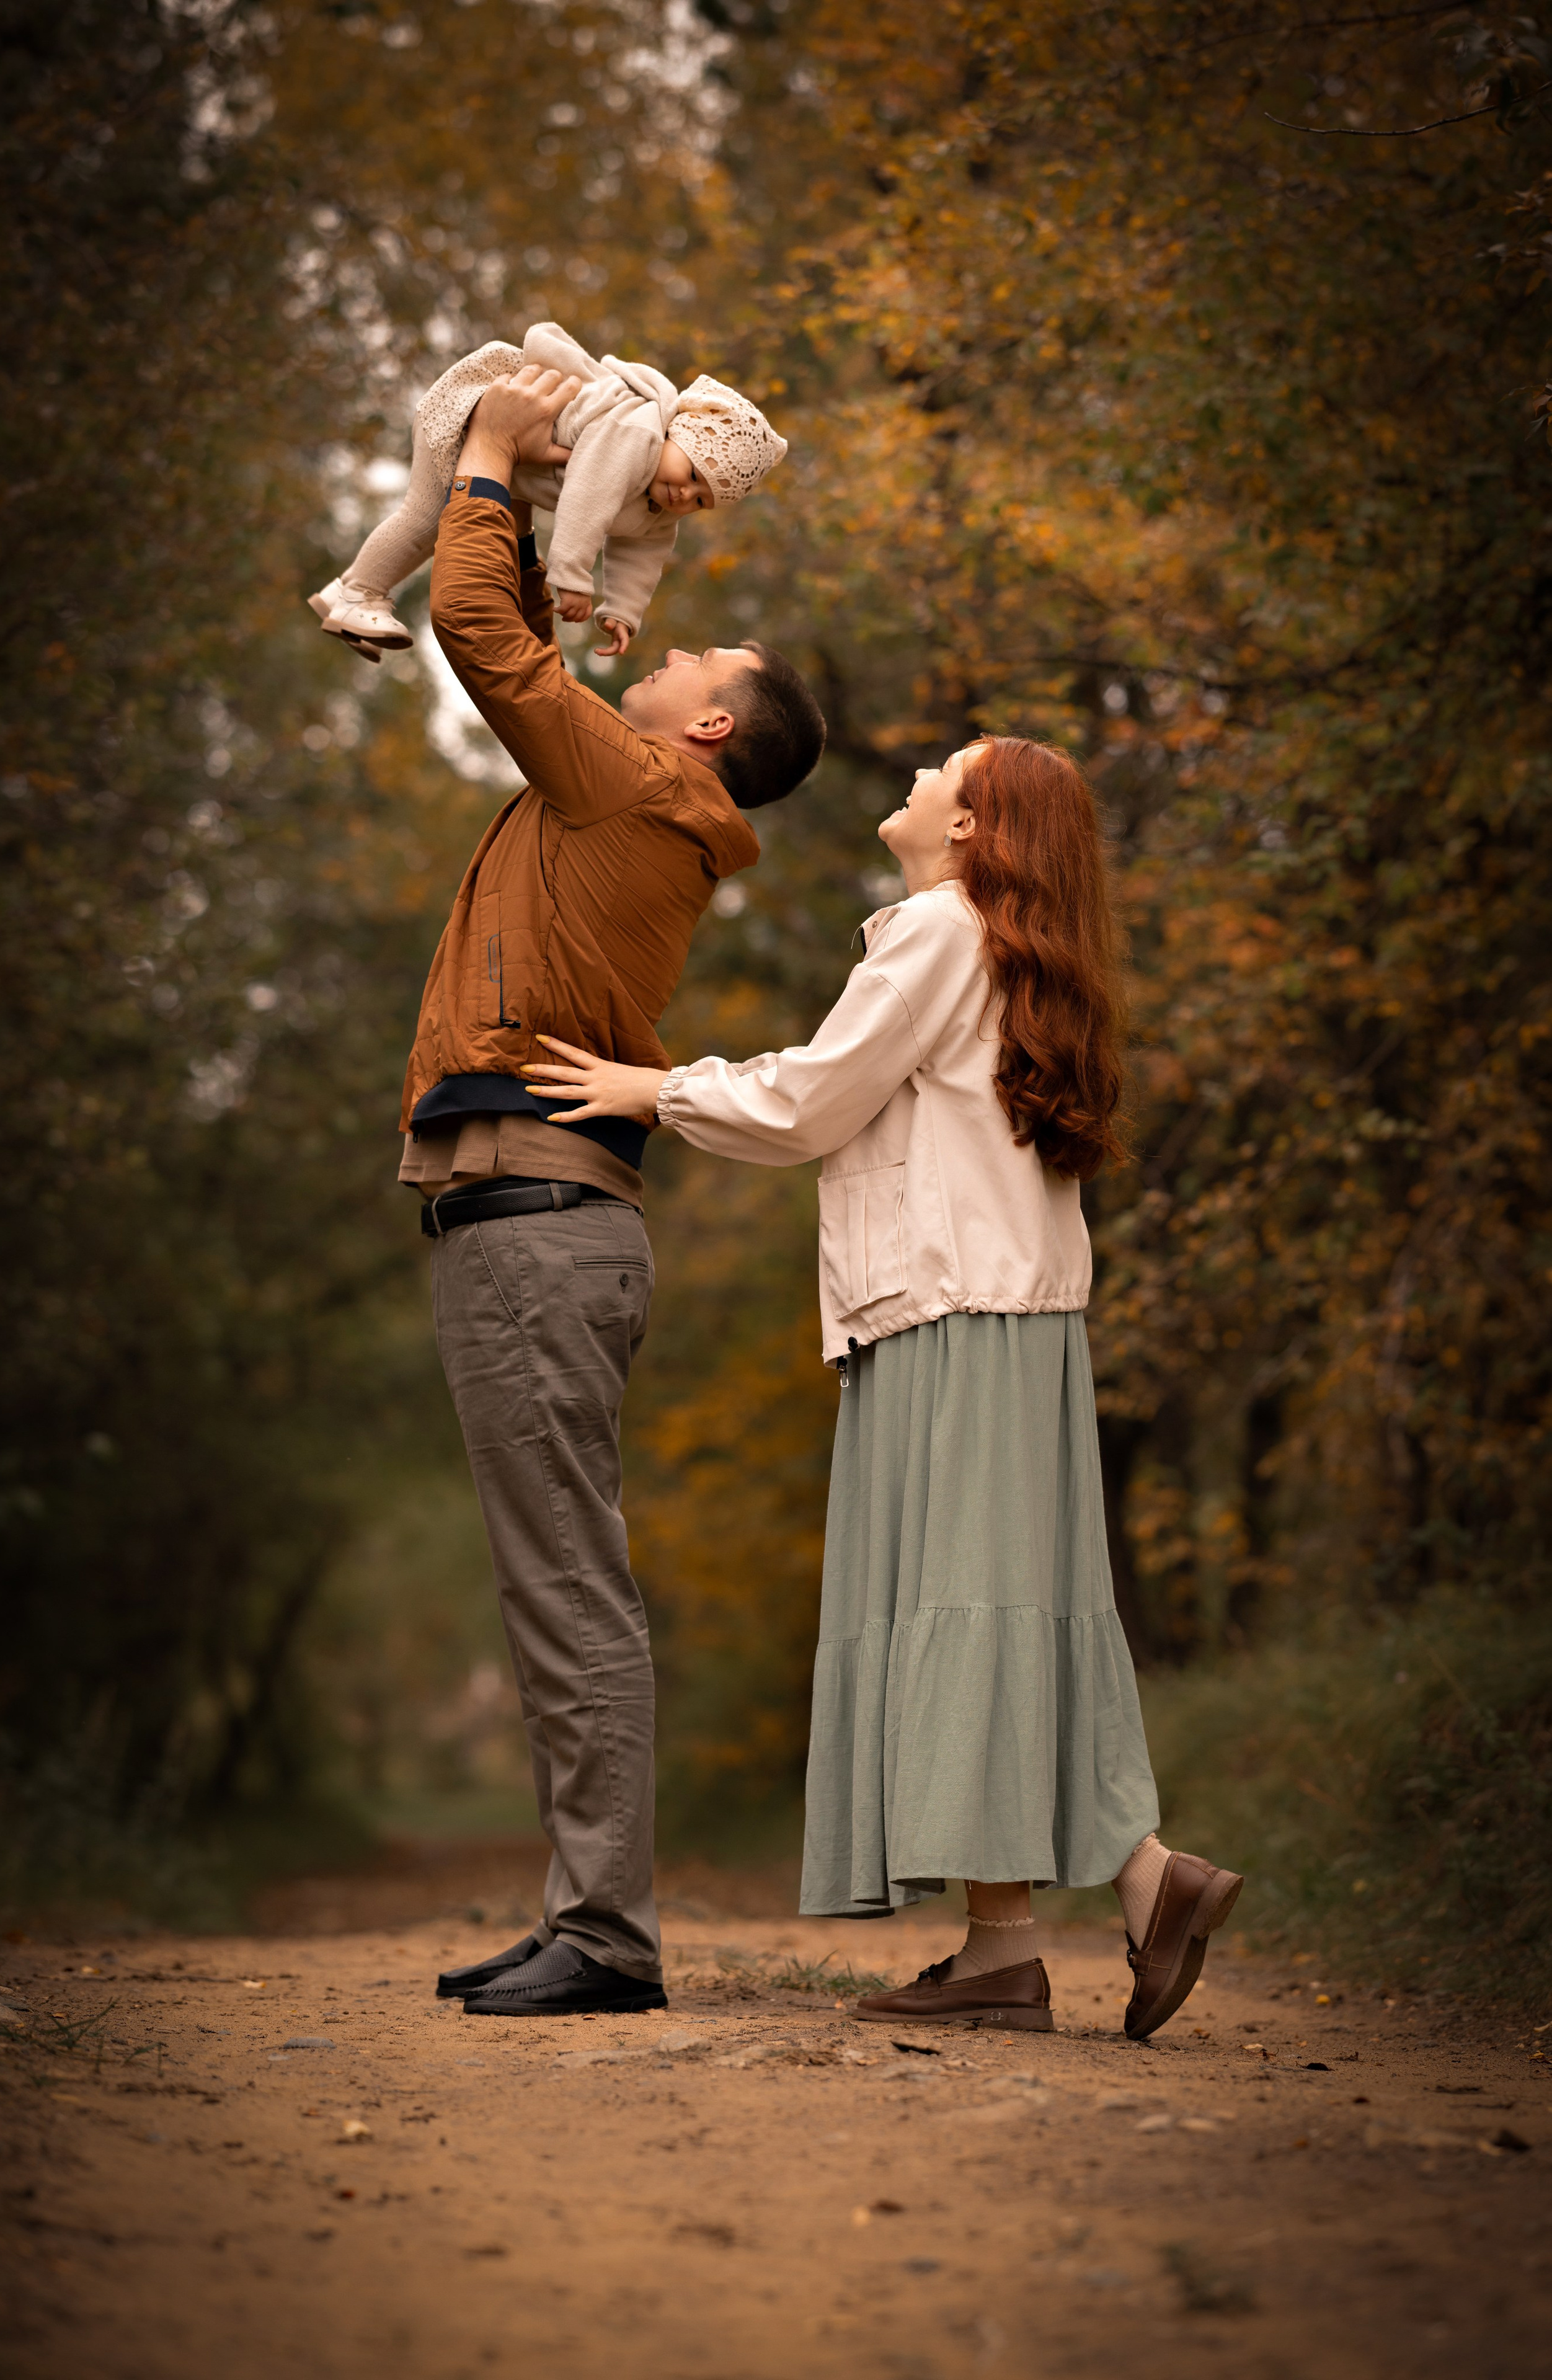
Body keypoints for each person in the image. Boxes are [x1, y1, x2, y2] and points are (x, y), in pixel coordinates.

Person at [523, 734, 1243, 2041]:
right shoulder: (996, 945)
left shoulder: (934, 930)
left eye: (938, 770)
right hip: (995, 1314)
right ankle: (1009, 1945)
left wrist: (651, 1086)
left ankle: (1140, 1877)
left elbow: (811, 1100)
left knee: (969, 1614)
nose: (910, 777)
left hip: (948, 1311)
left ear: (972, 826)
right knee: (993, 1611)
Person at [405, 365, 826, 2020]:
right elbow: (530, 640)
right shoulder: (629, 789)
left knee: (568, 1580)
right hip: (527, 1221)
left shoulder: (637, 786)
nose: (674, 655)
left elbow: (487, 642)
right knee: (554, 1575)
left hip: (537, 1223)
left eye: (704, 661)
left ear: (712, 726)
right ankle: (589, 1908)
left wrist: (499, 456)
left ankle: (610, 1935)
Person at [309, 319, 786, 662]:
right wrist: (573, 578)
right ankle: (360, 593)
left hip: (510, 451)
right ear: (676, 436)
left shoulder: (661, 506)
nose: (686, 496)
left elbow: (644, 554)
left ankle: (342, 594)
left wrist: (621, 610)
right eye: (692, 474)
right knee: (426, 519)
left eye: (702, 500)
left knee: (437, 525)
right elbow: (588, 499)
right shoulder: (637, 433)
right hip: (487, 401)